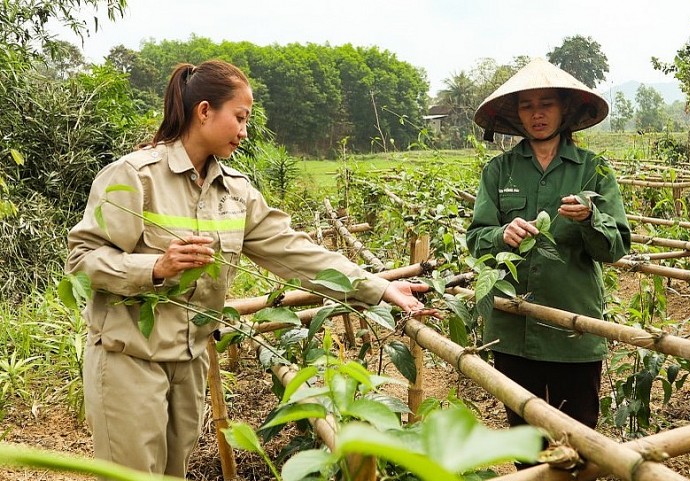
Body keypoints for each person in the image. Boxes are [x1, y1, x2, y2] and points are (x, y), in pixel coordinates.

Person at [66, 59, 430, 477]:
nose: (244, 131)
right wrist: (156, 267)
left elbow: (296, 252)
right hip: (129, 360)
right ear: (204, 111)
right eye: (240, 118)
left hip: (189, 360)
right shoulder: (135, 176)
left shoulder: (236, 192)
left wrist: (378, 287)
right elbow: (82, 261)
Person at [467, 58, 631, 450]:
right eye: (527, 106)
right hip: (512, 330)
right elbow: (476, 238)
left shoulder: (593, 170)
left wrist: (591, 218)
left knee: (577, 439)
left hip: (573, 328)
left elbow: (616, 247)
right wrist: (502, 234)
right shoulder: (499, 171)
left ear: (565, 110)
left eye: (546, 104)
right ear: (516, 114)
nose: (537, 114)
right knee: (526, 442)